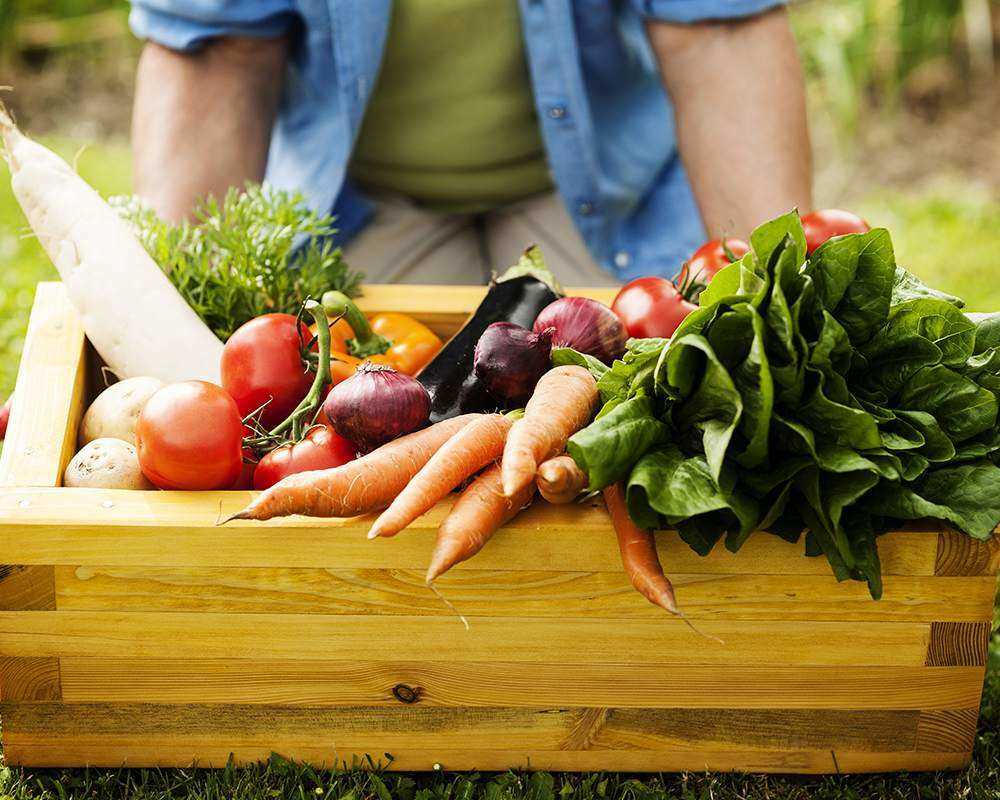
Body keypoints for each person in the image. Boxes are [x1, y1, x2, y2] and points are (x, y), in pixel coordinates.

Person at [129, 1, 811, 286]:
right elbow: (219, 50)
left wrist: (783, 299)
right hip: (358, 200)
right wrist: (173, 321)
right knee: (354, 424)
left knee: (664, 416)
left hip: (607, 190)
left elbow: (717, 31)